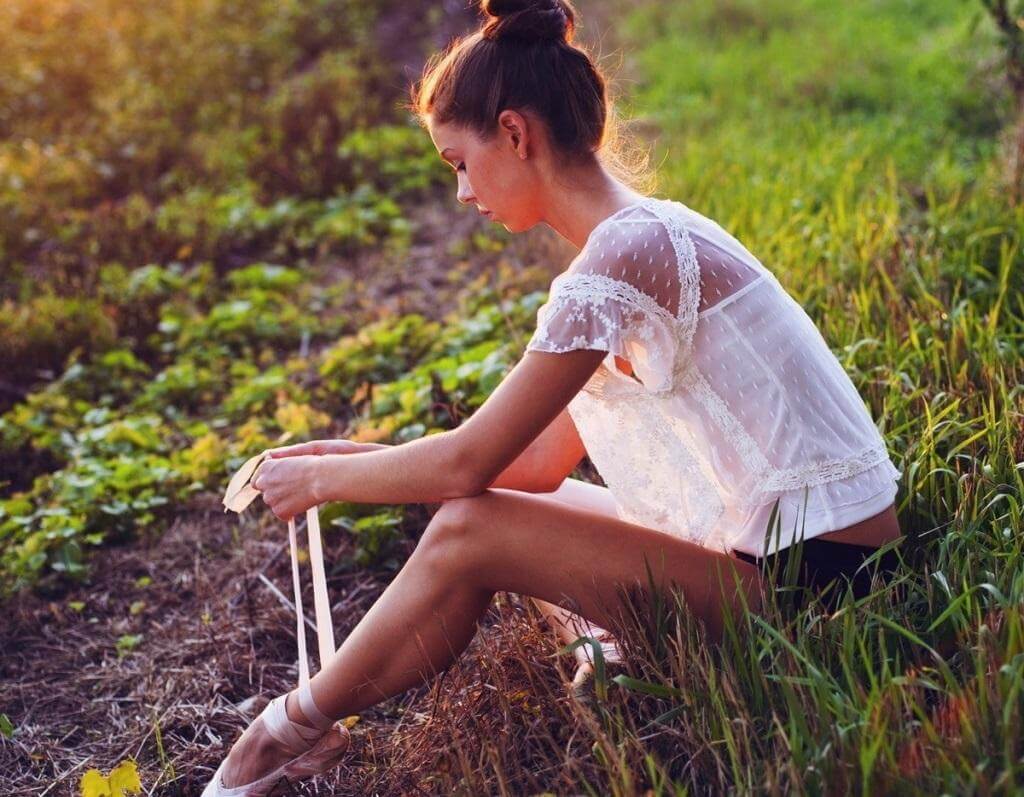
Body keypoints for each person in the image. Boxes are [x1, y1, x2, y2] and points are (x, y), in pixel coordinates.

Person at [201, 0, 904, 793]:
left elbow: (471, 463)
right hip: (822, 560)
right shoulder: (639, 238)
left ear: (514, 133)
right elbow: (530, 465)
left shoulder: (621, 258)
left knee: (469, 527)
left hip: (816, 590)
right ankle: (604, 648)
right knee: (503, 510)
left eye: (458, 162)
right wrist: (349, 459)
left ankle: (281, 733)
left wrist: (326, 482)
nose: (462, 192)